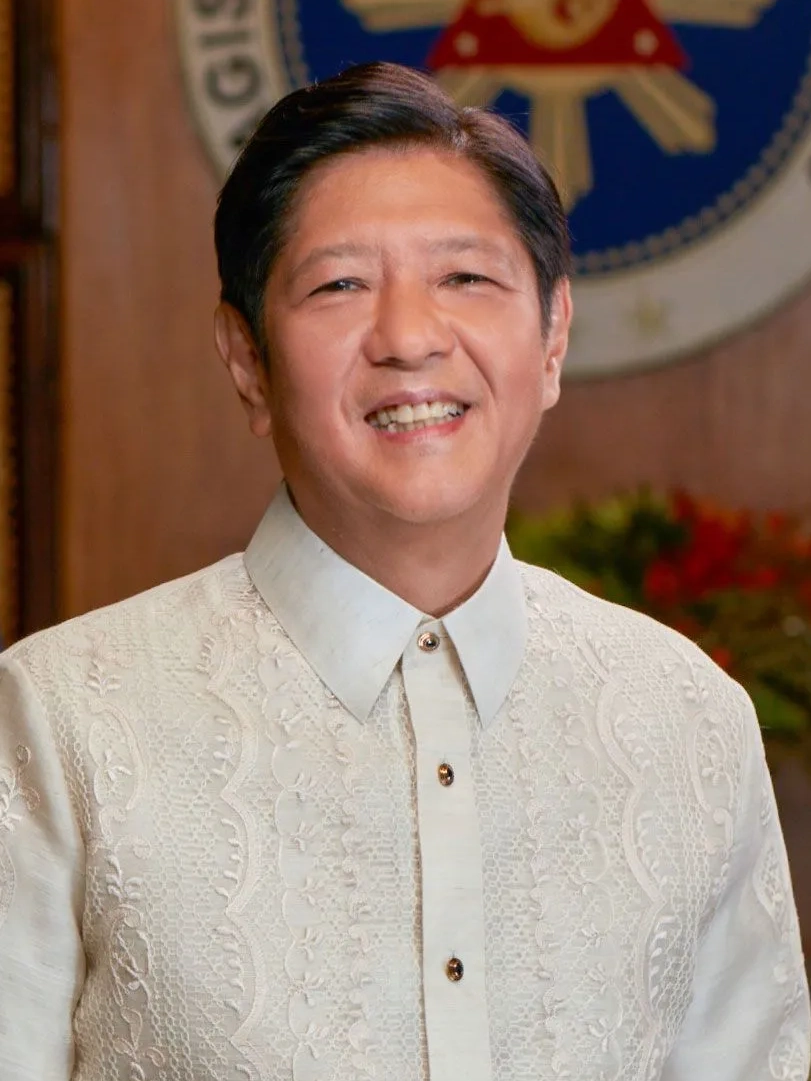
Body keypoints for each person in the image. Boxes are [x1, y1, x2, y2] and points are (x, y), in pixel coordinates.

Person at [0, 62, 808, 1081]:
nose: (410, 338)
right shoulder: (63, 717)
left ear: (552, 336)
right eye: (338, 284)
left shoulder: (686, 719)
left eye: (465, 278)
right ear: (246, 359)